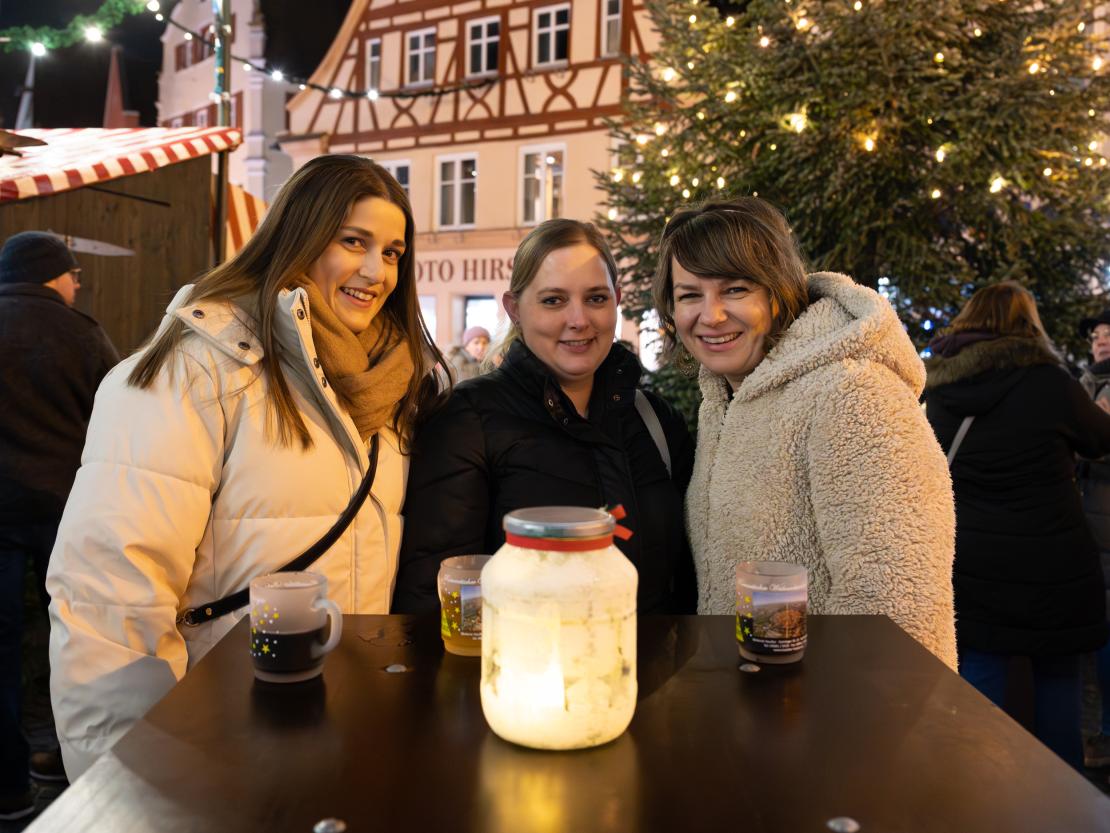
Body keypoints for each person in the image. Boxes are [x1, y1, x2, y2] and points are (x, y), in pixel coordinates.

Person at [46, 155, 445, 780]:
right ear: (299, 235)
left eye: (393, 252)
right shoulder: (195, 372)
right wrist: (125, 780)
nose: (376, 271)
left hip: (342, 732)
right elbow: (111, 600)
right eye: (353, 242)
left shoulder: (390, 390)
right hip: (211, 741)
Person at [653, 198, 957, 668]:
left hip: (836, 727)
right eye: (690, 295)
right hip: (753, 716)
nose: (710, 315)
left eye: (735, 289)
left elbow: (898, 610)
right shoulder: (724, 401)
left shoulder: (852, 392)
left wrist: (806, 725)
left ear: (777, 293)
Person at [393, 219, 696, 615]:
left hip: (652, 673)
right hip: (524, 671)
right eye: (554, 300)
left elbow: (690, 582)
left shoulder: (655, 421)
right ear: (515, 309)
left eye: (596, 298)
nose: (579, 319)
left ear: (617, 300)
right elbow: (436, 598)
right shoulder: (468, 421)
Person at [924, 282, 1110, 770]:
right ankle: (1061, 802)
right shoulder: (1052, 383)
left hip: (976, 555)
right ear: (1028, 324)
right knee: (1057, 675)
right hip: (1055, 558)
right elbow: (1098, 440)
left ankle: (980, 791)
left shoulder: (941, 388)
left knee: (981, 667)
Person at [0, 232, 118, 819]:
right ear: (52, 274)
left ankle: (6, 786)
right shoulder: (84, 333)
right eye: (74, 275)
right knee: (71, 631)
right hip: (63, 512)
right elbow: (122, 417)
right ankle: (55, 758)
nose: (77, 286)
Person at [1076, 309, 1110, 769]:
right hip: (1090, 524)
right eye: (1098, 336)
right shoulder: (1083, 384)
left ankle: (1103, 733)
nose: (1102, 341)